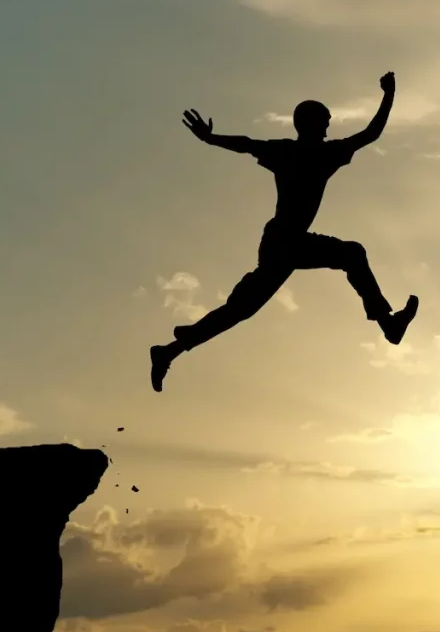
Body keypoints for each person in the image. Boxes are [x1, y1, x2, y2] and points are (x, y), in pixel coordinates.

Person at [150, 71, 419, 392]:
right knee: (346, 256)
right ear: (315, 123)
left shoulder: (288, 151)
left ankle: (168, 351)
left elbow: (247, 145)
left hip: (285, 240)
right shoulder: (321, 153)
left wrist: (211, 138)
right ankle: (388, 324)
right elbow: (370, 133)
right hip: (285, 242)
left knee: (244, 308)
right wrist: (389, 95)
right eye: (326, 120)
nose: (330, 124)